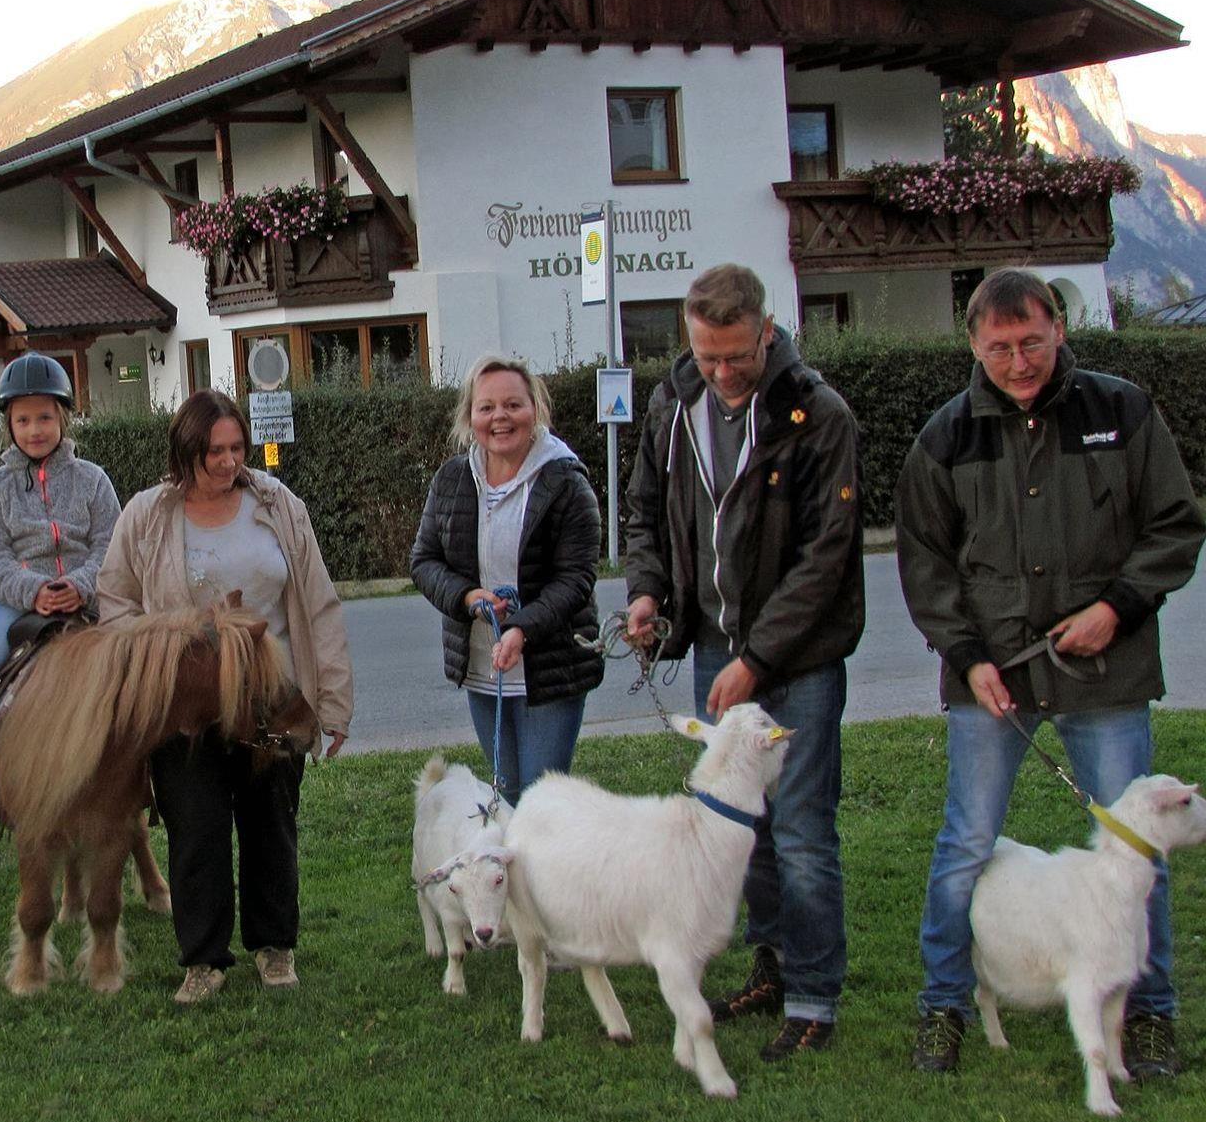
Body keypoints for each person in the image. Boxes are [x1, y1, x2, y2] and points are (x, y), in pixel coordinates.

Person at [896, 268, 1205, 1078]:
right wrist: (967, 658)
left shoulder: (1122, 411)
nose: (1018, 361)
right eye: (999, 347)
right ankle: (944, 1004)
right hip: (993, 675)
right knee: (966, 842)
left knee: (1137, 845)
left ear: (1060, 329)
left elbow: (1175, 524)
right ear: (973, 344)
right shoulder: (945, 438)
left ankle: (1150, 1014)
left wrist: (1120, 606)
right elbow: (926, 565)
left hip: (1107, 667)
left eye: (1031, 341)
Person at [623, 262, 865, 1061]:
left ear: (767, 332)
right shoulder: (673, 404)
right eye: (706, 355)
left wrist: (757, 660)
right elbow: (646, 512)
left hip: (796, 659)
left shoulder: (819, 414)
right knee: (741, 826)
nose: (722, 373)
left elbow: (827, 558)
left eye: (736, 356)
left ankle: (815, 996)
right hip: (716, 648)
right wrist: (649, 593)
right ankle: (773, 966)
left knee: (801, 832)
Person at [96, 389, 353, 1005]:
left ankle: (275, 947)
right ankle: (203, 961)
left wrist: (333, 701)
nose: (229, 461)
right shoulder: (147, 515)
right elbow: (115, 601)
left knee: (271, 826)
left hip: (272, 696)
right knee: (196, 832)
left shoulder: (278, 506)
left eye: (237, 448)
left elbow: (318, 603)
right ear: (185, 450)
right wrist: (171, 642)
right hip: (185, 705)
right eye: (214, 451)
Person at [410, 355, 605, 804]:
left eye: (513, 405)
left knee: (541, 804)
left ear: (534, 410)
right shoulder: (452, 479)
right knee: (508, 797)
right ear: (470, 416)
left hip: (550, 670)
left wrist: (521, 628)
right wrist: (466, 597)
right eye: (487, 407)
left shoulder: (566, 481)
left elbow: (577, 578)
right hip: (484, 669)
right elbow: (424, 560)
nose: (500, 417)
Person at [0, 353, 120, 833]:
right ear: (9, 425)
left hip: (88, 602)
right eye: (23, 420)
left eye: (44, 417)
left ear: (63, 418)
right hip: (18, 607)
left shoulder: (92, 480)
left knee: (140, 675)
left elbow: (111, 545)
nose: (35, 429)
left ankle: (146, 775)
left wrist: (79, 586)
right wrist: (35, 590)